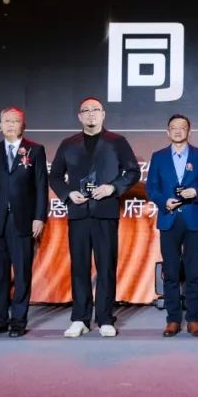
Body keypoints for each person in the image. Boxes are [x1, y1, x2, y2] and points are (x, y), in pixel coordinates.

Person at [50, 97, 141, 338]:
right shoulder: (68, 144)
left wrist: (113, 188)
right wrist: (68, 194)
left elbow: (133, 171)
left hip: (105, 212)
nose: (91, 114)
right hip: (78, 213)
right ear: (79, 116)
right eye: (86, 111)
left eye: (95, 110)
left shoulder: (117, 142)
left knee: (106, 267)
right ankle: (80, 318)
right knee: (79, 267)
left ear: (103, 114)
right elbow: (55, 176)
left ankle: (105, 318)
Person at [0, 107, 48, 338]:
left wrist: (39, 217)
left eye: (15, 121)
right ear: (0, 125)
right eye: (6, 121)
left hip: (23, 220)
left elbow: (41, 187)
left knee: (22, 273)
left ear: (23, 125)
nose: (10, 125)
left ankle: (18, 321)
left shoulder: (35, 150)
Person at [145, 114, 198, 338]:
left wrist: (197, 192)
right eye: (173, 127)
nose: (177, 130)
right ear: (167, 132)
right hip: (169, 219)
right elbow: (151, 188)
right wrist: (164, 201)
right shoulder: (158, 157)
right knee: (171, 272)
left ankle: (193, 319)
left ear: (189, 131)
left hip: (193, 220)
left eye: (182, 127)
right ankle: (173, 319)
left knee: (193, 273)